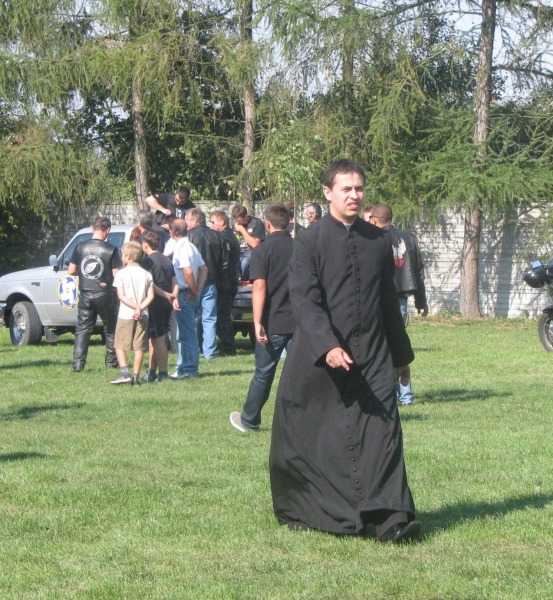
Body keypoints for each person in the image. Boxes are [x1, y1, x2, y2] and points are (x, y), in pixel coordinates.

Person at [269, 159, 421, 543]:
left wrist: (401, 356)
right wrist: (328, 345)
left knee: (384, 433)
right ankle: (323, 511)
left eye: (359, 188)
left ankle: (392, 519)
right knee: (319, 436)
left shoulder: (379, 241)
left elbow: (387, 302)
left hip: (373, 352)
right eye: (346, 189)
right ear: (328, 192)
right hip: (322, 356)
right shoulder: (309, 240)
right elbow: (304, 300)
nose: (354, 195)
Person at [230, 204, 295, 433]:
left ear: (267, 224)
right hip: (300, 322)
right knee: (299, 373)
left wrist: (256, 322)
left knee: (264, 373)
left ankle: (249, 420)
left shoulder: (262, 250)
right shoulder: (301, 247)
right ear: (289, 223)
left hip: (272, 321)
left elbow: (259, 287)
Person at [371, 203, 428, 406]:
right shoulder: (409, 238)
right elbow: (418, 270)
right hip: (402, 299)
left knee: (385, 347)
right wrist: (421, 301)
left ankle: (394, 395)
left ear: (374, 219)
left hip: (381, 299)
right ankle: (404, 396)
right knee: (397, 343)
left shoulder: (376, 239)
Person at [69, 216, 122, 372]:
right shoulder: (111, 249)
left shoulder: (80, 247)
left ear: (92, 229)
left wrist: (84, 274)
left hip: (85, 293)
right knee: (111, 330)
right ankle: (111, 363)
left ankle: (78, 364)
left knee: (82, 330)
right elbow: (116, 274)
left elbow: (71, 270)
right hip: (105, 294)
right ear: (108, 230)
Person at [110, 241, 154, 386]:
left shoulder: (121, 273)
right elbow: (151, 296)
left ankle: (124, 372)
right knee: (139, 347)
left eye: (123, 255)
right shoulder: (147, 274)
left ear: (128, 256)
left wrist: (135, 307)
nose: (121, 258)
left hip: (126, 314)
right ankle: (135, 377)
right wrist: (140, 308)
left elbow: (121, 296)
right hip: (143, 314)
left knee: (119, 344)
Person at [169, 218, 208, 380]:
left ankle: (190, 368)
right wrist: (198, 289)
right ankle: (182, 366)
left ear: (172, 232)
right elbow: (204, 269)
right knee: (183, 332)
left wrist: (193, 290)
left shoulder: (182, 248)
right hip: (188, 292)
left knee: (188, 334)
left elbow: (188, 271)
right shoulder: (191, 246)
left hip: (185, 292)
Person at [185, 208, 224, 359]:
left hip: (193, 282)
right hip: (211, 281)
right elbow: (222, 260)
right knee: (209, 317)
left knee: (192, 317)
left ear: (194, 221)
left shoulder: (189, 236)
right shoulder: (216, 235)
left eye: (187, 220)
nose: (186, 223)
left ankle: (193, 348)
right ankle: (209, 351)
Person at [141, 230, 177, 383]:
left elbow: (150, 285)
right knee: (154, 337)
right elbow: (175, 281)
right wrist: (173, 296)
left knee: (159, 338)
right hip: (166, 303)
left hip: (155, 302)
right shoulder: (167, 260)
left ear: (145, 245)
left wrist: (167, 295)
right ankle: (151, 371)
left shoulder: (147, 262)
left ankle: (163, 372)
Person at [211, 210, 241, 356]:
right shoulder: (229, 236)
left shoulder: (225, 239)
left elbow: (225, 263)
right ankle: (226, 345)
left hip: (226, 281)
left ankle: (228, 346)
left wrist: (218, 278)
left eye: (213, 222)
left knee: (222, 314)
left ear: (222, 222)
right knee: (223, 314)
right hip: (230, 280)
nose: (211, 226)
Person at [231, 205, 265, 281]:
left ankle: (242, 280)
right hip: (238, 252)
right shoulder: (235, 225)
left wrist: (242, 229)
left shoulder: (257, 223)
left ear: (245, 216)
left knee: (244, 263)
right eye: (235, 220)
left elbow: (255, 245)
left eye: (239, 220)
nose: (237, 223)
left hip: (251, 252)